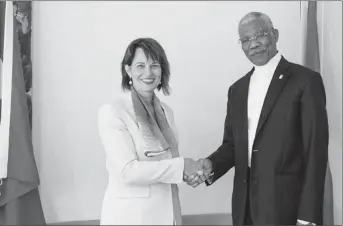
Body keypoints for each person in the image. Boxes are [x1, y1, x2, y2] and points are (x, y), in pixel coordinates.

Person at [186, 12, 329, 225]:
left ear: (275, 35)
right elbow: (233, 146)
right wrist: (211, 164)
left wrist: (308, 216)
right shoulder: (237, 90)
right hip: (244, 209)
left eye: (259, 35)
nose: (253, 44)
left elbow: (315, 151)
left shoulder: (306, 81)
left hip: (287, 209)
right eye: (245, 40)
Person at [98, 37, 202, 225]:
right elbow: (126, 171)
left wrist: (188, 173)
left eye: (155, 65)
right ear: (128, 70)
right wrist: (181, 167)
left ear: (162, 70)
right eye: (140, 66)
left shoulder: (166, 111)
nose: (148, 72)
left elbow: (167, 162)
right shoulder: (113, 111)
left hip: (168, 214)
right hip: (131, 218)